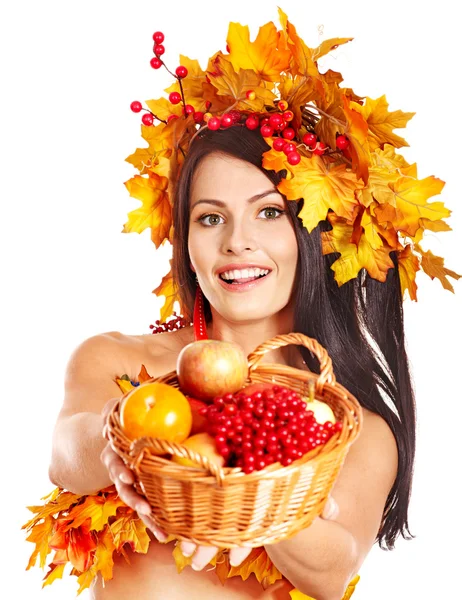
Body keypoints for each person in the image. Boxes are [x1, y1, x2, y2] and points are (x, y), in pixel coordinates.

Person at [23, 9, 460, 600]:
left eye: (270, 212)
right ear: (186, 241)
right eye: (210, 218)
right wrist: (121, 441)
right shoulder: (122, 368)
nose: (236, 241)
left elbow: (332, 569)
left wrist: (247, 475)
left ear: (317, 232)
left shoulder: (352, 428)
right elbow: (63, 454)